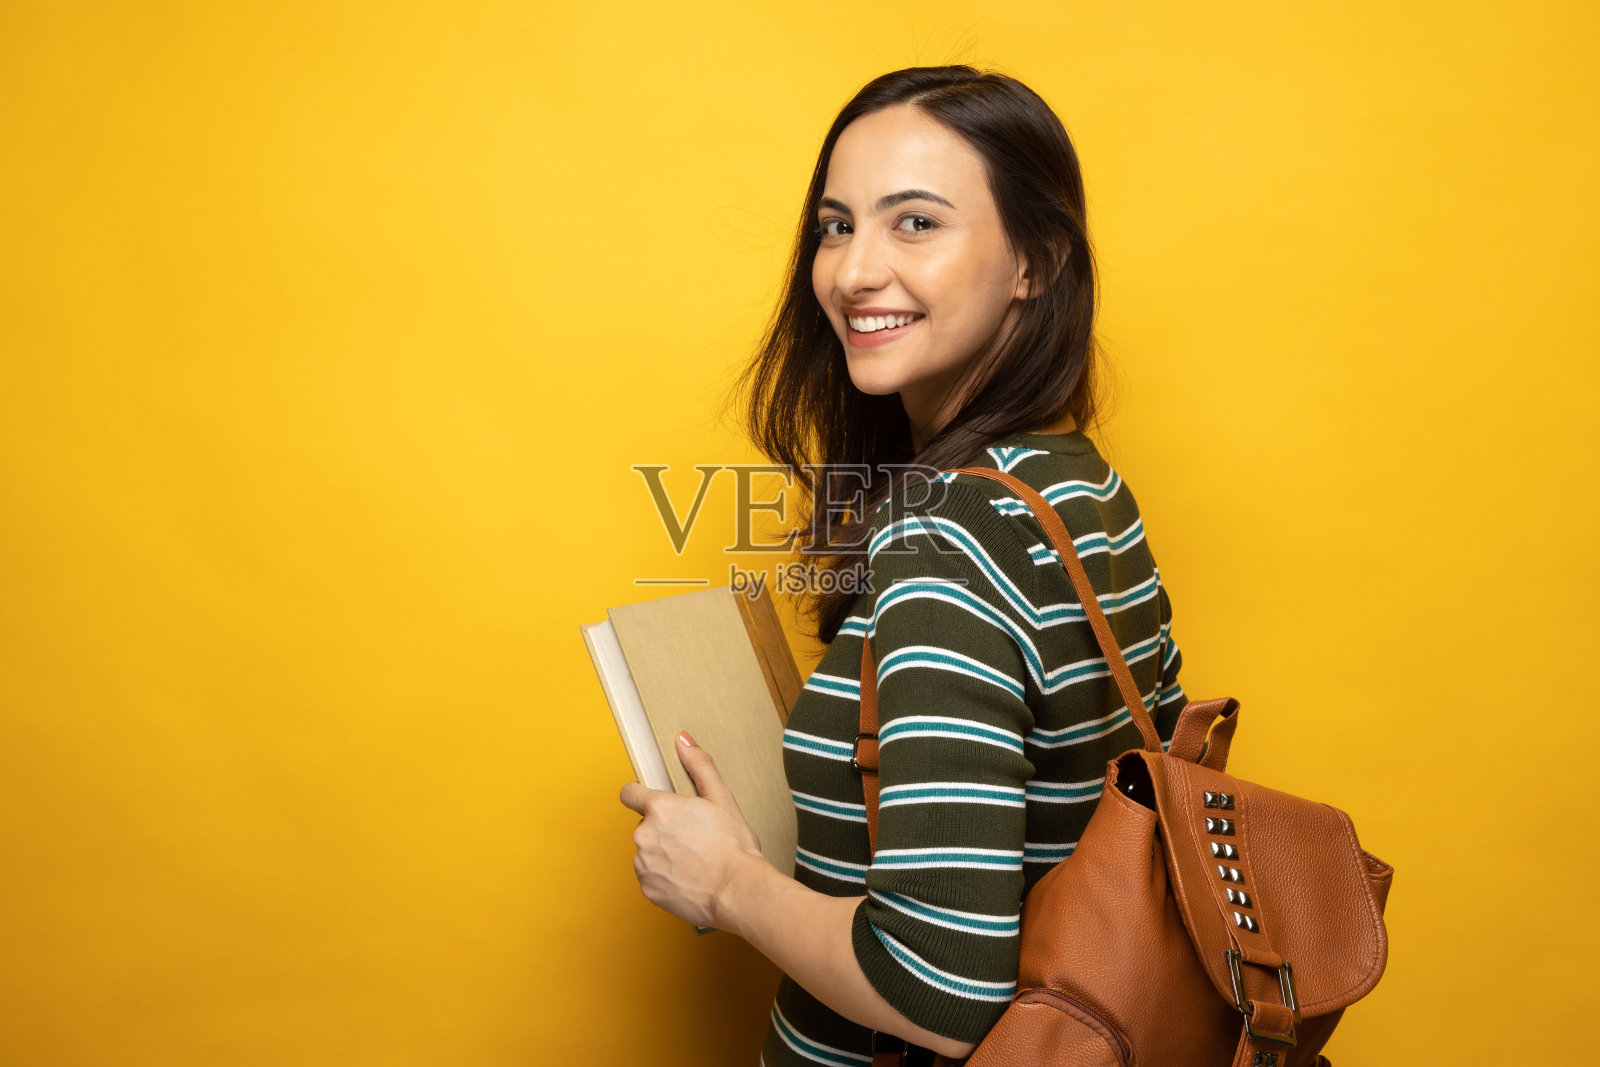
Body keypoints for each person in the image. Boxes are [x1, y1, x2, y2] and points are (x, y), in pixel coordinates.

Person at [619, 65, 1187, 1065]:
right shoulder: (1073, 484)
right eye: (837, 226)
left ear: (1036, 261)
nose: (853, 271)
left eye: (915, 223)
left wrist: (726, 882)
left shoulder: (950, 534)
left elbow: (940, 990)